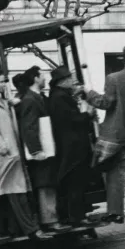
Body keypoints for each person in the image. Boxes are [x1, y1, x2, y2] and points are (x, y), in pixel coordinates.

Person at [77, 44, 125, 223]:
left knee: (93, 167)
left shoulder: (113, 78)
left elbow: (105, 103)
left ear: (124, 60)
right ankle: (115, 211)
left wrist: (87, 93)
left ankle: (86, 209)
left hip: (112, 135)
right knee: (116, 171)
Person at [0, 68, 40, 239]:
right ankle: (30, 230)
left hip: (6, 158)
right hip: (4, 158)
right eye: (2, 81)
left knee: (5, 195)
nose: (5, 84)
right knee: (16, 194)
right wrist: (4, 148)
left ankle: (9, 231)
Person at [15, 67, 65, 231]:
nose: (44, 79)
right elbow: (29, 127)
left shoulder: (37, 97)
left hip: (46, 149)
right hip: (41, 152)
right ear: (36, 79)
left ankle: (51, 217)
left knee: (48, 183)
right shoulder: (31, 99)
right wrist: (36, 150)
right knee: (44, 184)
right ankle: (49, 220)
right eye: (42, 76)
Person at [48, 66, 95, 227]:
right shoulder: (61, 97)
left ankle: (72, 215)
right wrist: (87, 114)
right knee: (75, 182)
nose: (72, 81)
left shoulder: (57, 96)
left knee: (72, 182)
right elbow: (72, 120)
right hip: (73, 148)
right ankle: (76, 216)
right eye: (69, 79)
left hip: (69, 146)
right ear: (62, 81)